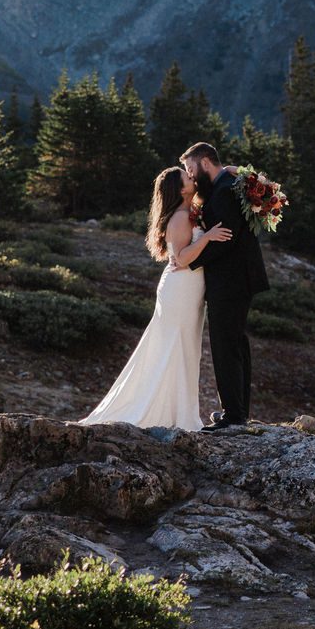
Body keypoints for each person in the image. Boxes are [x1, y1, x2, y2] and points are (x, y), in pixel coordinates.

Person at [77, 164, 232, 431]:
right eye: (187, 177)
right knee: (175, 347)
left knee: (184, 348)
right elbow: (181, 259)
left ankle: (177, 411)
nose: (192, 178)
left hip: (188, 288)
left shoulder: (187, 212)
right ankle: (167, 414)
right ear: (180, 188)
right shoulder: (180, 217)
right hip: (181, 288)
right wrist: (207, 237)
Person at [183, 141, 270, 427]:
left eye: (191, 168)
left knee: (225, 346)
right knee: (236, 344)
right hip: (240, 278)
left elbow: (226, 238)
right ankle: (238, 411)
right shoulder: (231, 183)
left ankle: (233, 416)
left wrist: (187, 261)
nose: (191, 175)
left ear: (205, 162)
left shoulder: (222, 191)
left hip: (230, 280)